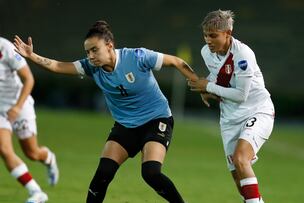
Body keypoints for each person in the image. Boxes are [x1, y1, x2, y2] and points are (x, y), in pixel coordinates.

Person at [14, 20, 198, 203]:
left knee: (151, 173)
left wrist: (199, 85)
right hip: (126, 125)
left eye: (95, 50)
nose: (91, 56)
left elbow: (176, 61)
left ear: (109, 46)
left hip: (156, 119)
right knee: (103, 174)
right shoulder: (91, 67)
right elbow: (57, 66)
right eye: (88, 52)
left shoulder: (137, 57)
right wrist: (32, 56)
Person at [188, 10, 275, 203]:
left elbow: (241, 95)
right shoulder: (206, 52)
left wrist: (208, 86)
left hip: (257, 111)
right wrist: (206, 88)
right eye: (205, 35)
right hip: (229, 119)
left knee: (241, 158)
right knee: (238, 177)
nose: (208, 40)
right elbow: (220, 78)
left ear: (228, 33)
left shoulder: (243, 54)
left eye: (213, 36)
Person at [0, 36, 59, 203]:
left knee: (32, 153)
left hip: (20, 104)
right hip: (0, 110)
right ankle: (36, 192)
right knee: (4, 150)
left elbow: (29, 79)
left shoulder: (4, 47)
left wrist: (17, 107)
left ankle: (48, 158)